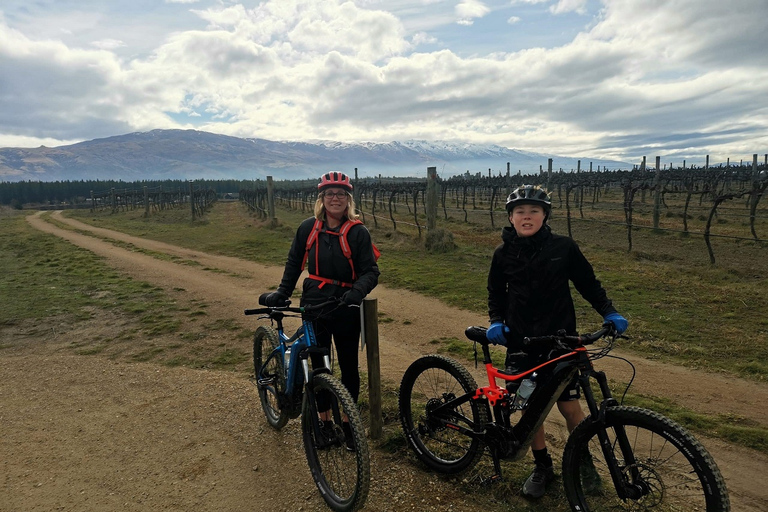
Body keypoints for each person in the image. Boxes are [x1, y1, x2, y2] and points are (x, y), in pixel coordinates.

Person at [485, 184, 628, 498]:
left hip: (561, 341)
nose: (526, 217)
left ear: (544, 216)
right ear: (510, 217)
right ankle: (542, 466)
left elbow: (588, 283)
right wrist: (496, 321)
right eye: (520, 212)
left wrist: (609, 311)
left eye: (534, 211)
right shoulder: (503, 253)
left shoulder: (564, 247)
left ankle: (583, 463)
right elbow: (496, 293)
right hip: (522, 341)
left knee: (570, 407)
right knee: (530, 408)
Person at [260, 171, 380, 450]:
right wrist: (283, 293)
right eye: (329, 194)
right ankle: (323, 422)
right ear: (322, 198)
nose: (335, 199)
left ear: (348, 199)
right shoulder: (307, 228)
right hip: (314, 303)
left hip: (346, 305)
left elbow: (371, 272)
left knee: (349, 367)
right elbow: (294, 263)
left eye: (340, 194)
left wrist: (356, 293)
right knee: (319, 365)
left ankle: (349, 425)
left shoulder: (358, 232)